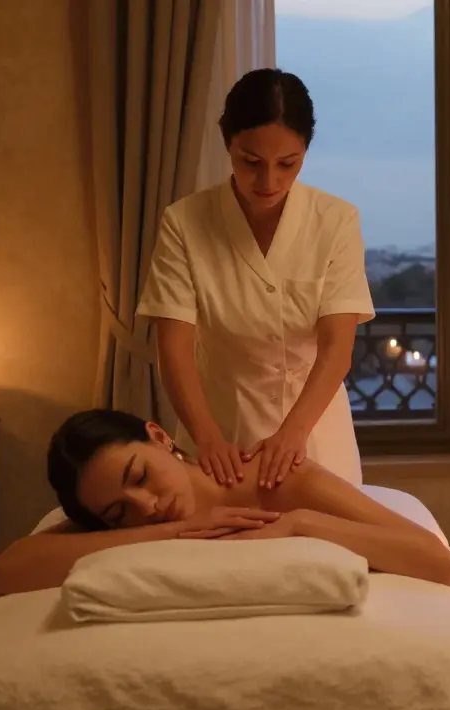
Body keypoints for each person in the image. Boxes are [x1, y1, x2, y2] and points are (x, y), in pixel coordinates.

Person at [136, 68, 373, 492]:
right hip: (219, 431)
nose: (269, 181)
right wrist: (207, 438)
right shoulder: (185, 222)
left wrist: (293, 433)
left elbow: (337, 348)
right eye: (251, 162)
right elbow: (173, 347)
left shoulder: (335, 221)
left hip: (314, 432)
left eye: (287, 164)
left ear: (305, 150)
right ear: (227, 142)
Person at [0, 409, 450, 595]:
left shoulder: (278, 478)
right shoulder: (127, 523)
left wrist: (302, 524)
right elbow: (8, 571)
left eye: (141, 477)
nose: (145, 506)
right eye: (118, 511)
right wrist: (172, 532)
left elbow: (436, 562)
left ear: (159, 437)